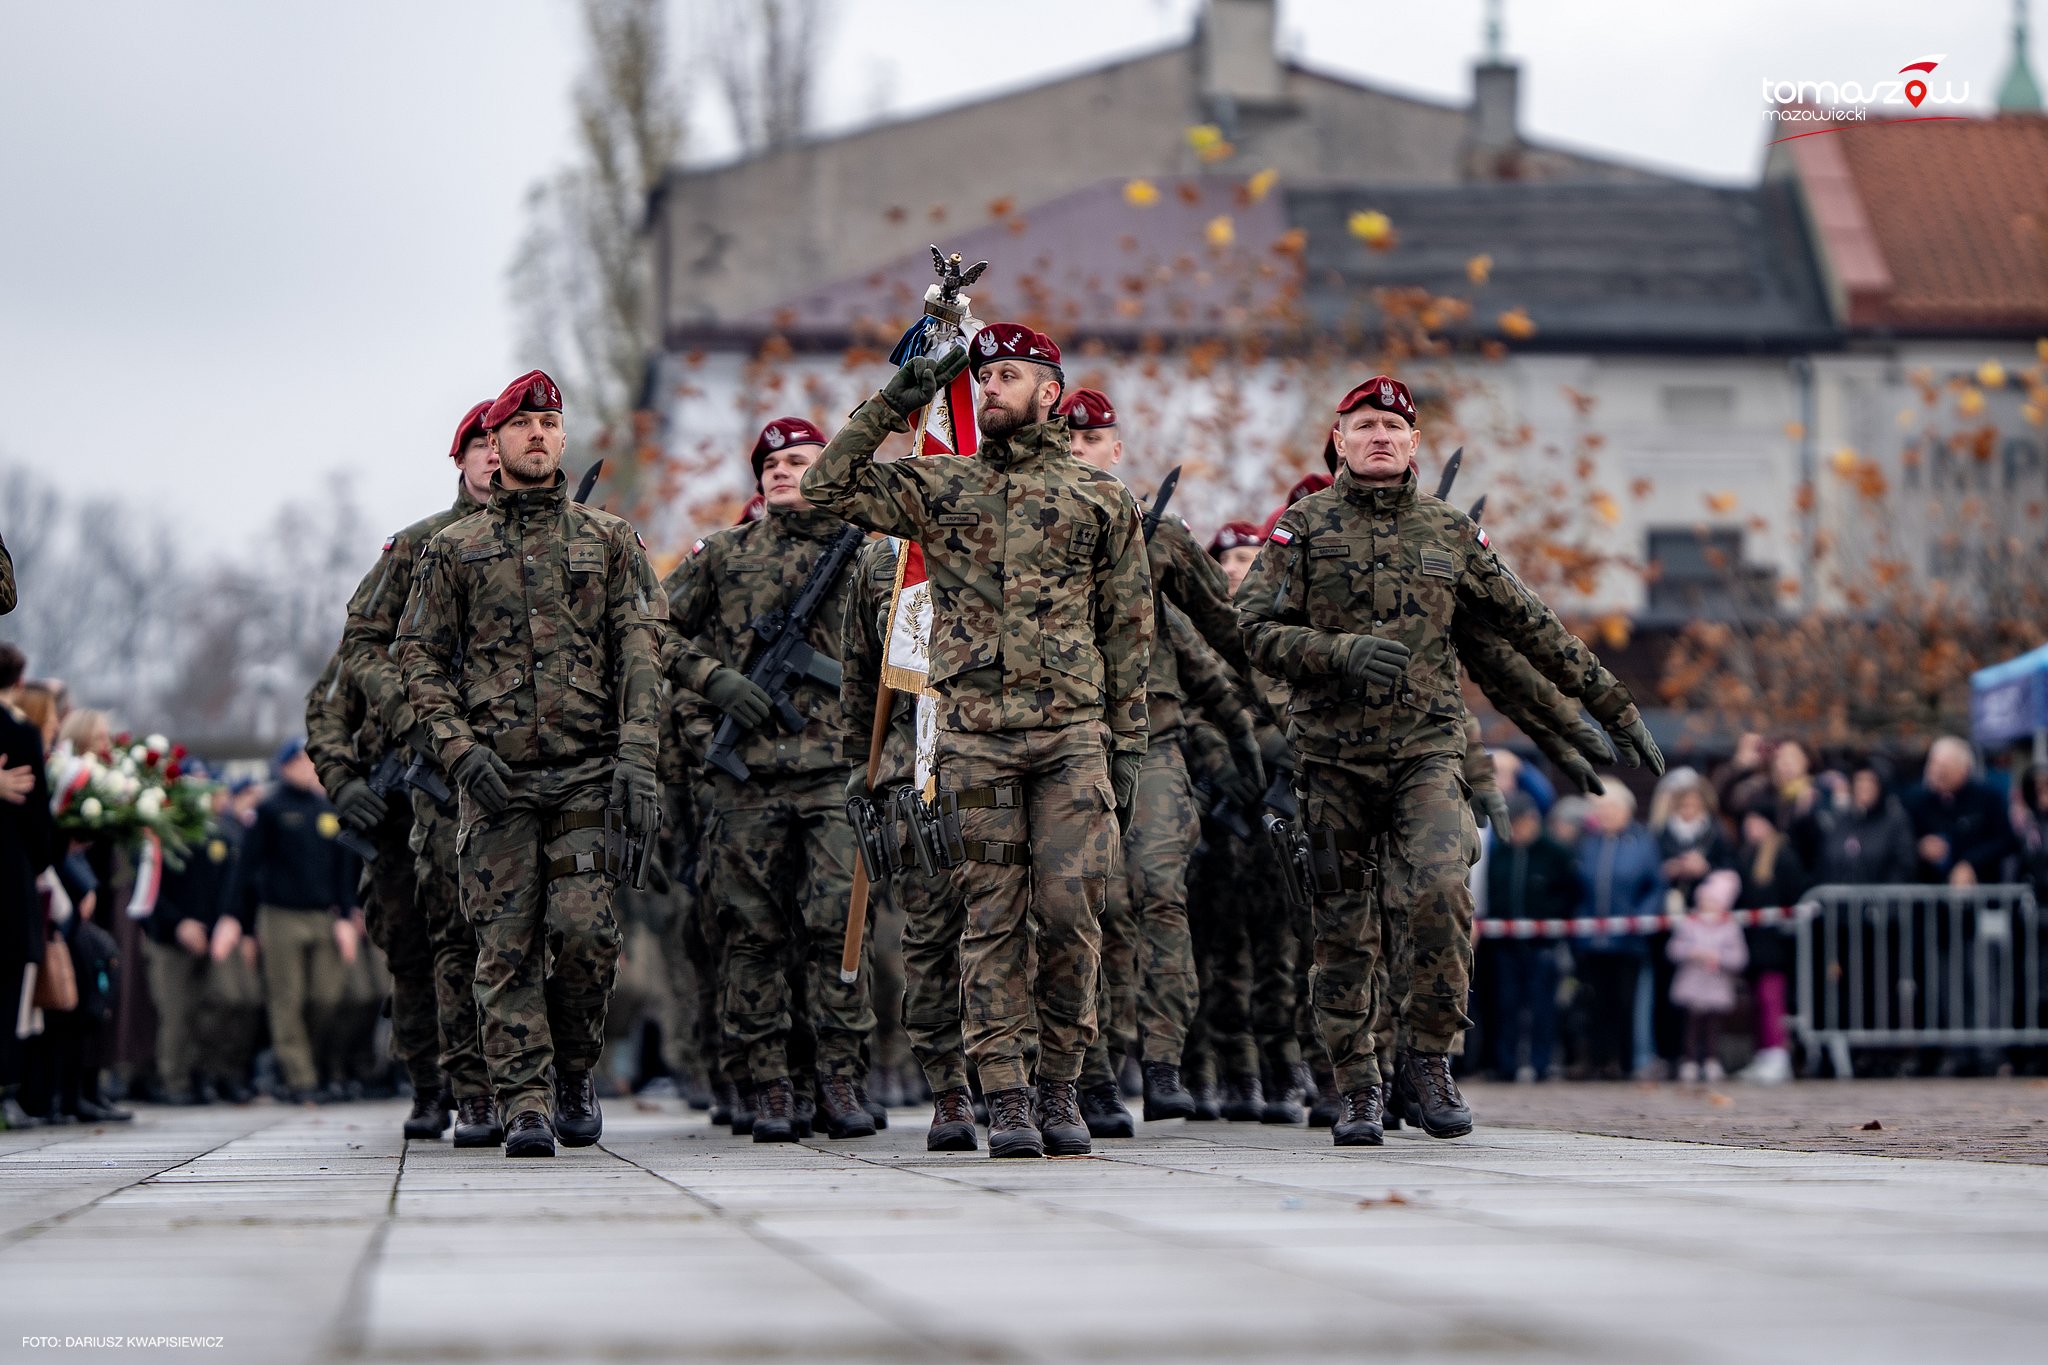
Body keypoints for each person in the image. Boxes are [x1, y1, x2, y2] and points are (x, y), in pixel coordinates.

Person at [1238, 372, 1659, 1145]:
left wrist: (1612, 703)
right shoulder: (1304, 526)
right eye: (1364, 425)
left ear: (1415, 444)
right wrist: (1335, 652)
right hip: (1331, 759)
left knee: (1440, 891)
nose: (1379, 437)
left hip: (1425, 753)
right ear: (1338, 439)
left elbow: (1529, 625)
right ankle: (1357, 1085)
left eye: (1393, 427)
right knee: (1342, 926)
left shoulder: (1449, 532)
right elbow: (1251, 628)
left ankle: (1429, 1060)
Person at [801, 324, 1155, 1159]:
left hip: (1071, 737)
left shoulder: (1100, 498)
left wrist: (1128, 746)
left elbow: (1129, 628)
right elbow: (826, 485)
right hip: (977, 741)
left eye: (1009, 376)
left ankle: (1060, 1082)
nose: (991, 387)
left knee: (1070, 914)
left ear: (1050, 394)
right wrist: (897, 398)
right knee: (990, 917)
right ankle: (1005, 1094)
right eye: (984, 376)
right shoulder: (941, 484)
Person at [398, 369, 666, 1158]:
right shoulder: (455, 550)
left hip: (585, 774)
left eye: (549, 423)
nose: (538, 434)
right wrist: (458, 748)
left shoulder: (607, 540)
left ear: (562, 436)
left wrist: (638, 755)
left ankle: (575, 1070)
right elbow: (417, 657)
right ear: (497, 440)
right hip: (497, 782)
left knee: (586, 934)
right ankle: (523, 1099)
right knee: (504, 946)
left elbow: (641, 650)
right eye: (522, 425)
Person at [666, 415, 877, 1143]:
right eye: (771, 464)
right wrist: (713, 681)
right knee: (751, 934)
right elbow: (648, 627)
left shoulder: (864, 555)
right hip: (748, 782)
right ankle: (770, 1083)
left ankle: (839, 1077)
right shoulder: (724, 556)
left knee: (838, 928)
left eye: (800, 461)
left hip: (836, 777)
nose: (782, 471)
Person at [1061, 388, 1258, 1124]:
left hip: (1155, 743)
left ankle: (1164, 1058)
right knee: (1093, 905)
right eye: (1068, 439)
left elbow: (1227, 627)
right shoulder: (1034, 528)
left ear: (1117, 450)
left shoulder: (1163, 536)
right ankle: (1094, 1069)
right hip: (1074, 740)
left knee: (1160, 896)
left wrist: (1285, 693)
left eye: (1093, 440)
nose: (1080, 450)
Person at [340, 399, 500, 1147]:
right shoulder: (418, 545)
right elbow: (361, 643)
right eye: (480, 444)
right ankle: (451, 1086)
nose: (494, 454)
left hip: (524, 764)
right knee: (439, 937)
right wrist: (415, 718)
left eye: (502, 440)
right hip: (432, 775)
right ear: (460, 458)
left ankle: (531, 1081)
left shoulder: (560, 535)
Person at [304, 647, 446, 1132]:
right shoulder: (371, 638)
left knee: (482, 949)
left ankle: (482, 1088)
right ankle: (427, 1085)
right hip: (396, 826)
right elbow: (326, 711)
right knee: (408, 955)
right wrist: (343, 781)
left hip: (470, 811)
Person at [234, 738, 355, 1102]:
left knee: (325, 996)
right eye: (301, 761)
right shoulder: (269, 809)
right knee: (287, 999)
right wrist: (240, 923)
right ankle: (300, 1080)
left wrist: (346, 915)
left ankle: (306, 1066)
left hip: (322, 915)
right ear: (285, 767)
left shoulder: (326, 809)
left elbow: (342, 869)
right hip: (281, 915)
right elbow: (245, 870)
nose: (308, 768)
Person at [1571, 787, 1666, 1080]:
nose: (1605, 814)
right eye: (1601, 810)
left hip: (1628, 941)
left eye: (1611, 808)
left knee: (1625, 1002)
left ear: (1626, 811)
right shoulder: (1589, 843)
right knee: (1594, 1002)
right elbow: (1578, 886)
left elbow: (1655, 885)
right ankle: (1596, 1059)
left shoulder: (1642, 843)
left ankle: (1623, 1061)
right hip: (1592, 939)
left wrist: (1639, 918)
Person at [1485, 792, 1580, 1081]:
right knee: (1506, 1005)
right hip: (1506, 943)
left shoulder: (1555, 853)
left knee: (1543, 1006)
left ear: (1532, 821)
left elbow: (1570, 893)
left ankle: (1541, 1063)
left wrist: (1551, 919)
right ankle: (1506, 1063)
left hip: (1543, 945)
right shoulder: (1501, 852)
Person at [0, 659, 55, 1128]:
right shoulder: (18, 733)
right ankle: (6, 1091)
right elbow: (39, 821)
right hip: (7, 873)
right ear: (18, 681)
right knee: (7, 985)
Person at [1733, 807, 1810, 1083]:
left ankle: (1778, 1054)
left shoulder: (1784, 856)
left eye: (1757, 821)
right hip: (1753, 943)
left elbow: (1795, 896)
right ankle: (1764, 1054)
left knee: (1772, 1000)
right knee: (1758, 1001)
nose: (1751, 828)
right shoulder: (1746, 855)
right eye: (1748, 822)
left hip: (1776, 945)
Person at [1901, 737, 2017, 887]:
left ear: (1964, 769)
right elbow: (1898, 840)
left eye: (1944, 770)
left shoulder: (1987, 798)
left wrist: (1970, 862)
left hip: (1979, 887)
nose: (1936, 774)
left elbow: (2006, 841)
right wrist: (1919, 846)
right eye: (1933, 766)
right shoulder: (1914, 799)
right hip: (1928, 889)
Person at [1668, 869, 1747, 1082]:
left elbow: (1739, 958)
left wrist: (1720, 958)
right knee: (1692, 1025)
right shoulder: (1690, 922)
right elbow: (1673, 949)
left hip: (1716, 985)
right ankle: (1689, 1060)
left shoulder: (1729, 926)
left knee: (1713, 1026)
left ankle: (1712, 1060)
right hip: (1692, 984)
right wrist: (1691, 953)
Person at [1815, 761, 1916, 884]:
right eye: (1859, 781)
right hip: (1837, 894)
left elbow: (1904, 865)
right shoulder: (1841, 820)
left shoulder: (1895, 821)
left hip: (1881, 894)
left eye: (1870, 781)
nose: (1864, 787)